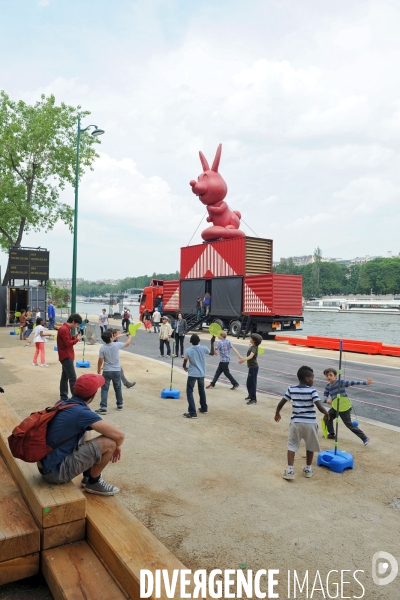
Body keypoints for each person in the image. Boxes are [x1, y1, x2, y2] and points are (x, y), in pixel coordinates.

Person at [37, 373, 124, 495]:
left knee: (86, 430)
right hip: (55, 473)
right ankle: (94, 482)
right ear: (93, 396)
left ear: (73, 390)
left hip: (45, 466)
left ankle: (87, 476)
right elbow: (119, 435)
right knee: (109, 443)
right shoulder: (82, 413)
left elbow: (84, 426)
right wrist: (117, 446)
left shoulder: (62, 403)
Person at [274, 365, 330, 480]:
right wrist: (327, 414)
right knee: (310, 445)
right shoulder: (312, 391)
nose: (313, 380)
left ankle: (290, 471)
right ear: (306, 378)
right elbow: (319, 407)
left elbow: (281, 403)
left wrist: (277, 413)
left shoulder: (291, 389)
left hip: (296, 422)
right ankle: (308, 469)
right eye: (312, 378)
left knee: (292, 445)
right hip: (310, 423)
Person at [323, 368, 371, 445]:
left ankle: (365, 438)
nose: (328, 377)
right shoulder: (327, 386)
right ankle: (332, 434)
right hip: (336, 407)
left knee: (349, 425)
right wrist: (327, 399)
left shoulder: (340, 383)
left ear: (335, 376)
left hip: (345, 407)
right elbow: (325, 394)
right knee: (327, 417)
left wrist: (365, 383)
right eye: (327, 375)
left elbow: (352, 382)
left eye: (331, 375)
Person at [96, 330, 132, 414]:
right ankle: (120, 404)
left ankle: (103, 407)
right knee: (118, 387)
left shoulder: (102, 348)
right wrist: (130, 337)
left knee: (104, 389)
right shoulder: (116, 345)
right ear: (111, 338)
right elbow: (127, 344)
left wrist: (98, 369)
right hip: (116, 370)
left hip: (107, 371)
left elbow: (100, 360)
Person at [182, 333, 210, 418]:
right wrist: (212, 342)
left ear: (191, 342)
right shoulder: (203, 348)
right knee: (201, 390)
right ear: (199, 341)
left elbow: (185, 360)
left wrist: (184, 367)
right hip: (201, 373)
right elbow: (211, 352)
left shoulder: (188, 350)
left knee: (189, 391)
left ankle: (192, 412)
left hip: (193, 373)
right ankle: (204, 408)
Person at [57, 314, 83, 401]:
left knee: (65, 376)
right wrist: (77, 340)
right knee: (72, 377)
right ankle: (75, 397)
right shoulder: (64, 329)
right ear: (73, 322)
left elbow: (66, 340)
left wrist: (73, 337)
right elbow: (67, 343)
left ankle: (63, 396)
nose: (77, 326)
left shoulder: (64, 329)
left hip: (65, 355)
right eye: (77, 324)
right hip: (66, 355)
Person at [238, 333, 262, 405]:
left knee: (252, 383)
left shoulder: (254, 348)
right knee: (248, 383)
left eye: (251, 338)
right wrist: (243, 358)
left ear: (254, 340)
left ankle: (253, 399)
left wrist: (244, 360)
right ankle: (250, 395)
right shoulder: (252, 346)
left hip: (253, 367)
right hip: (251, 367)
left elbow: (251, 356)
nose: (250, 339)